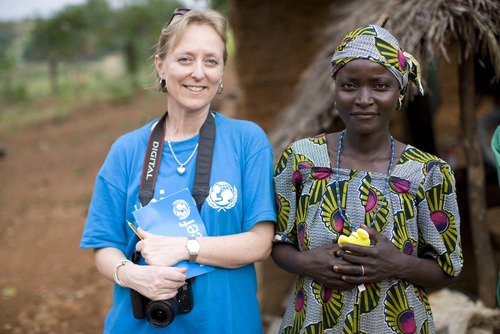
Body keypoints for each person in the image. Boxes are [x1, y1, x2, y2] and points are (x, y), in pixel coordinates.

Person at [80, 8, 276, 334]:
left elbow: (260, 243)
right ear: (161, 65)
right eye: (185, 59)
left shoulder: (247, 141)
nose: (198, 73)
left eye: (211, 61)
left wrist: (185, 247)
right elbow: (104, 244)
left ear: (222, 72)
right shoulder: (127, 151)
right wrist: (132, 274)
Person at [272, 25, 463, 333]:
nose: (363, 99)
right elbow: (278, 243)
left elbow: (448, 269)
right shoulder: (301, 160)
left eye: (379, 86)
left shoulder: (428, 173)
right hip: (313, 323)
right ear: (335, 91)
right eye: (349, 86)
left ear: (399, 93)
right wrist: (306, 263)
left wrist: (397, 264)